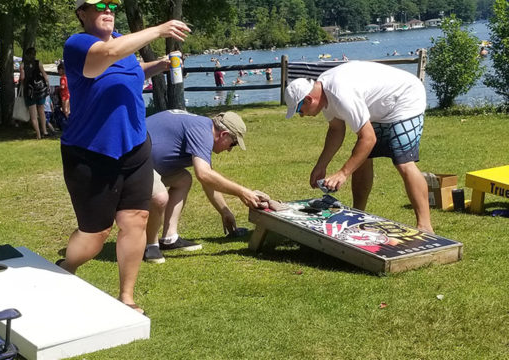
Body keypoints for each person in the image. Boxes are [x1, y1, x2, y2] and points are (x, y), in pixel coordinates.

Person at [58, 0, 190, 314]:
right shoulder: (78, 45)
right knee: (96, 233)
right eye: (98, 4)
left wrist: (156, 65)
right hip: (90, 152)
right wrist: (158, 30)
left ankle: (126, 297)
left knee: (137, 220)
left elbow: (128, 66)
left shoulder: (121, 43)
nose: (107, 9)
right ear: (82, 13)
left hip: (134, 146)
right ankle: (66, 266)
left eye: (112, 4)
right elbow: (105, 58)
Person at [284, 61, 433, 233]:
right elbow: (336, 130)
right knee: (361, 158)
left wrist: (343, 173)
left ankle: (425, 226)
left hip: (405, 97)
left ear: (309, 99)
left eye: (299, 110)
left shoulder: (340, 94)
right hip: (382, 105)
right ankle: (358, 216)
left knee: (402, 161)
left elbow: (368, 139)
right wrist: (321, 165)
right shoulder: (324, 95)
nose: (301, 115)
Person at [143, 110, 270, 263]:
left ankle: (170, 238)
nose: (230, 149)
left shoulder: (202, 127)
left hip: (144, 160)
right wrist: (242, 192)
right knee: (159, 196)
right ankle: (150, 245)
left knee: (183, 179)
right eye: (233, 143)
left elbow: (208, 180)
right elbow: (203, 174)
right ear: (223, 134)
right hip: (131, 162)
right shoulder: (202, 133)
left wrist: (224, 211)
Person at [19, 47, 51, 139]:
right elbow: (45, 76)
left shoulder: (22, 65)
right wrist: (47, 86)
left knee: (33, 114)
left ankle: (38, 134)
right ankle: (44, 131)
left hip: (29, 91)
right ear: (34, 55)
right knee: (41, 111)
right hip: (39, 90)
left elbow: (22, 78)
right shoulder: (39, 63)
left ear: (26, 55)